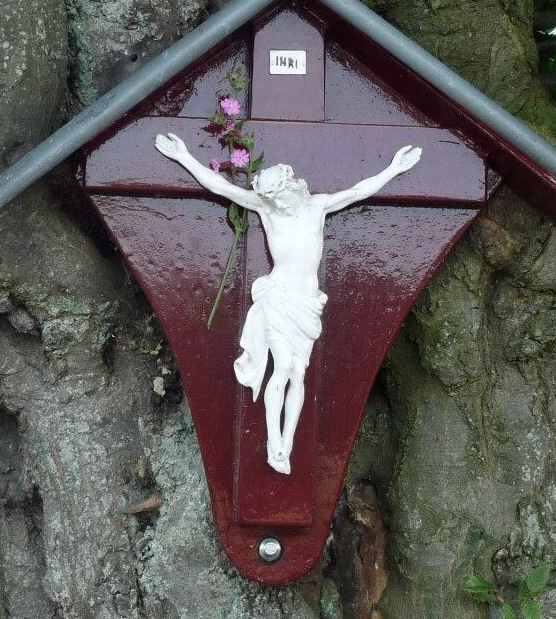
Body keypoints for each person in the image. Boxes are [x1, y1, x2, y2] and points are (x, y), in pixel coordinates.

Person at [155, 132, 422, 474]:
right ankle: (274, 443)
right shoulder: (268, 210)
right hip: (279, 298)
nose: (278, 204)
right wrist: (184, 157)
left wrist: (394, 169)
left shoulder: (317, 207)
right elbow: (222, 187)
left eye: (280, 197)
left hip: (306, 303)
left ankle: (287, 444)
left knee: (298, 374)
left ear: (292, 188)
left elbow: (358, 191)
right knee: (281, 367)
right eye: (272, 200)